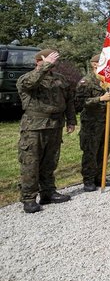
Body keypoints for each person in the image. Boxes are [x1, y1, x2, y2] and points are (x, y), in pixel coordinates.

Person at [16, 49, 77, 213]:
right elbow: (29, 84)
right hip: (34, 127)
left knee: (50, 161)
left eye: (54, 60)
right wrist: (45, 66)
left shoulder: (60, 79)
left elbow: (68, 101)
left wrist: (71, 120)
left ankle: (48, 192)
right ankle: (29, 198)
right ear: (39, 61)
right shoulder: (27, 78)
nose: (53, 62)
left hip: (55, 125)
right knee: (31, 162)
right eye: (50, 59)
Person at [75, 54, 110, 190]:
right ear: (94, 64)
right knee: (90, 151)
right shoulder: (86, 82)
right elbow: (79, 103)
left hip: (106, 121)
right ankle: (88, 180)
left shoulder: (108, 81)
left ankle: (100, 176)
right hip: (91, 123)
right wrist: (99, 99)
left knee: (104, 150)